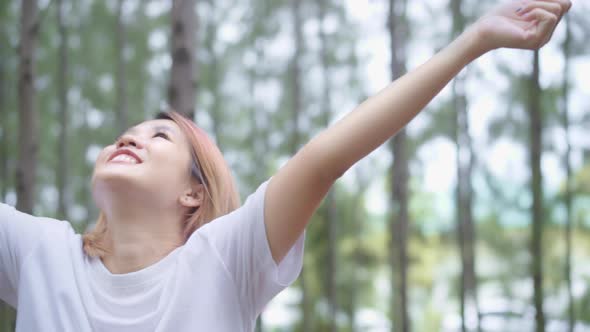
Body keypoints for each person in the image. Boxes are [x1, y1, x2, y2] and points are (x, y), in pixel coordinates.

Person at [0, 0, 571, 331]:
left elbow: (325, 159)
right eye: (126, 134)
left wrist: (475, 39)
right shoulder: (40, 254)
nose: (131, 138)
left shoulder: (223, 260)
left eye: (160, 136)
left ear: (193, 195)